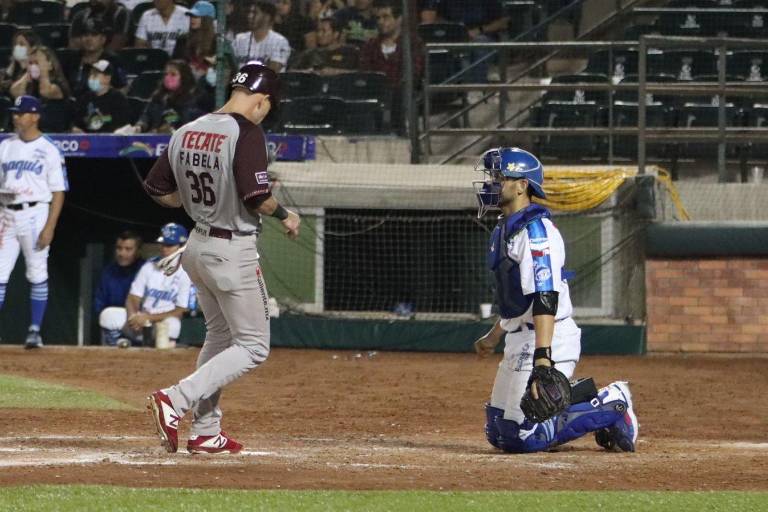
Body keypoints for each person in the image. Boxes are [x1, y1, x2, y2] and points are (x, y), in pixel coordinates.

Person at [143, 61, 300, 454]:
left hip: (197, 245)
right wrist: (287, 215)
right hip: (232, 250)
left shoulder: (187, 128)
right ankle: (176, 399)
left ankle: (205, 430)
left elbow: (157, 188)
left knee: (220, 335)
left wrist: (193, 204)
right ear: (262, 100)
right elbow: (256, 197)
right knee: (253, 346)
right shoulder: (246, 132)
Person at [471, 147, 638, 453]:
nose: (491, 183)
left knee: (521, 436)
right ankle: (563, 408)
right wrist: (495, 335)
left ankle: (613, 402)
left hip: (550, 336)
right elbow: (519, 300)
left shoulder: (536, 232)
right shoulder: (505, 230)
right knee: (497, 430)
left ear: (522, 185)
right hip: (519, 338)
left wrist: (543, 357)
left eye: (499, 176)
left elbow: (545, 297)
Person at [0, 96, 68, 349]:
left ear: (35, 116)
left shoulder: (49, 148)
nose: (16, 117)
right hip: (6, 213)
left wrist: (50, 226)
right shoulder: (5, 146)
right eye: (15, 113)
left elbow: (59, 191)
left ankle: (34, 330)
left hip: (35, 213)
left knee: (36, 272)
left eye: (21, 113)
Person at [99, 223, 192, 348]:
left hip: (161, 323)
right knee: (108, 315)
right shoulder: (149, 265)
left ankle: (164, 353)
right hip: (141, 322)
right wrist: (133, 316)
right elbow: (132, 297)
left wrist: (149, 318)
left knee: (173, 325)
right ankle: (119, 348)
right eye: (163, 244)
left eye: (169, 245)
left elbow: (182, 310)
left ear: (182, 247)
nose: (164, 248)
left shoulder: (187, 271)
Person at [360, 2, 423, 134]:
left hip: (402, 95)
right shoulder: (370, 46)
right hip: (376, 95)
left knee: (399, 94)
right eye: (378, 18)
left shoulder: (413, 44)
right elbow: (365, 72)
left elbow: (415, 72)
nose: (381, 22)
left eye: (386, 17)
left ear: (399, 19)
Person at [420, 0, 509, 83]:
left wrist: (479, 30)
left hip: (481, 34)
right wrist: (451, 28)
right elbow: (429, 19)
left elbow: (503, 21)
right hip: (452, 36)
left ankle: (476, 90)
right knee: (435, 49)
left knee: (480, 46)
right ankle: (443, 91)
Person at [93, 231, 145, 343]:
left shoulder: (146, 270)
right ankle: (117, 351)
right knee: (108, 314)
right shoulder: (108, 272)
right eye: (119, 248)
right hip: (116, 325)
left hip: (141, 323)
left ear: (138, 251)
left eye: (128, 249)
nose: (122, 253)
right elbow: (99, 305)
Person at [133, 60, 201, 133]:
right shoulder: (158, 96)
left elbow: (187, 121)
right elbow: (146, 115)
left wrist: (169, 126)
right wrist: (140, 126)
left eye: (173, 74)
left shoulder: (192, 98)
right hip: (154, 137)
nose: (168, 77)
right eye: (166, 74)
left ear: (184, 77)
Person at [173, 1, 234, 79]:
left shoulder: (218, 43)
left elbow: (229, 71)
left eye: (196, 16)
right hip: (186, 83)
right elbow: (174, 65)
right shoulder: (182, 40)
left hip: (209, 87)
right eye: (191, 16)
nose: (192, 19)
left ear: (207, 19)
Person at [67, 19, 127, 98]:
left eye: (94, 35)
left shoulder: (113, 60)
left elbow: (122, 88)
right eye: (85, 35)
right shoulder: (72, 58)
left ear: (103, 39)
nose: (89, 39)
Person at [73, 59, 132, 133]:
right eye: (90, 75)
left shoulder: (118, 99)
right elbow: (77, 120)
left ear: (107, 78)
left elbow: (122, 123)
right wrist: (75, 128)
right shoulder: (85, 98)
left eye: (95, 75)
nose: (91, 78)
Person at [232, 1, 291, 72]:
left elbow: (271, 73)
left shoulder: (279, 41)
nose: (249, 16)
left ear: (267, 17)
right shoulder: (239, 39)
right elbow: (227, 70)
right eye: (249, 12)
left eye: (255, 13)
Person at [290, 17, 359, 75]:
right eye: (318, 31)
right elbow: (290, 72)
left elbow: (361, 73)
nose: (319, 34)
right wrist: (310, 72)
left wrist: (337, 72)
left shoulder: (350, 52)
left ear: (336, 34)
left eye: (323, 31)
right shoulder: (310, 53)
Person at [0, 30, 41, 97]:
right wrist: (12, 64)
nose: (16, 47)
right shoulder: (14, 68)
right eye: (15, 44)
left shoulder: (36, 71)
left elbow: (19, 95)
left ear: (33, 48)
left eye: (21, 44)